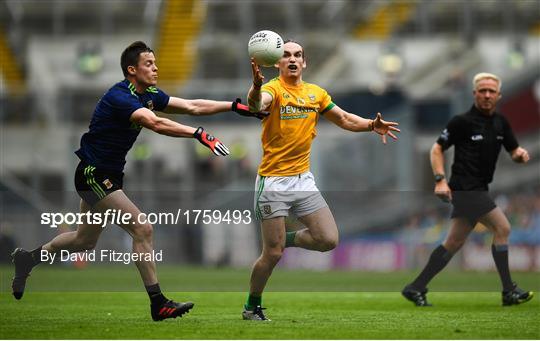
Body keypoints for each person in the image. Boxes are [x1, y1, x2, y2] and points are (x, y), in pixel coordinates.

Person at [11, 41, 267, 321]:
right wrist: (198, 134)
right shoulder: (120, 96)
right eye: (149, 64)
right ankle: (158, 303)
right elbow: (155, 123)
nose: (155, 68)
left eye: (155, 63)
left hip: (104, 175)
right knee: (142, 227)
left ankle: (29, 259)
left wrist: (234, 106)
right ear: (131, 70)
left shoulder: (149, 93)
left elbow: (192, 105)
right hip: (93, 174)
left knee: (83, 241)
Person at [242, 40, 400, 321]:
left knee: (328, 239)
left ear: (304, 63)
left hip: (303, 179)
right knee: (273, 255)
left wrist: (370, 125)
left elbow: (345, 119)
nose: (292, 59)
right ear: (278, 63)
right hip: (273, 182)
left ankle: (284, 239)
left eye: (297, 55)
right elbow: (255, 105)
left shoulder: (316, 94)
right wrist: (255, 86)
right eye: (286, 55)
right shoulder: (272, 90)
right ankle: (252, 305)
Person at [402, 72, 534, 307]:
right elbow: (436, 149)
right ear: (474, 94)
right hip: (465, 188)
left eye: (491, 91)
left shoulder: (501, 123)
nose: (486, 95)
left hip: (480, 188)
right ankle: (508, 290)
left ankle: (416, 287)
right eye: (482, 90)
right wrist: (440, 180)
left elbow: (513, 150)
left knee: (452, 242)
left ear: (498, 95)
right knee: (502, 227)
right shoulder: (461, 122)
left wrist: (520, 155)